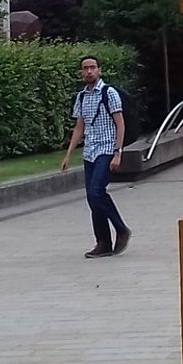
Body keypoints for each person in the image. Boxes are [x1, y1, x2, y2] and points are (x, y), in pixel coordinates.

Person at [60, 54, 131, 257]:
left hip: (107, 149)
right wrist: (68, 155)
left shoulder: (109, 93)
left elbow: (120, 123)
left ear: (99, 69)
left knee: (96, 192)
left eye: (92, 67)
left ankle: (121, 229)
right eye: (85, 68)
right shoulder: (82, 96)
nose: (89, 71)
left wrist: (118, 152)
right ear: (81, 72)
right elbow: (79, 127)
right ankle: (103, 242)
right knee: (92, 199)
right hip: (90, 151)